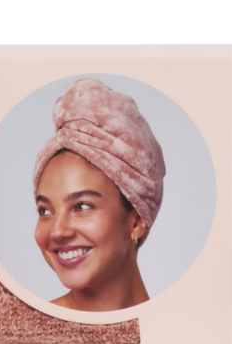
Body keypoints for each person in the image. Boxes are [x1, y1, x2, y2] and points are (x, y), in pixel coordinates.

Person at [33, 78, 165, 313]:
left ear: (137, 221)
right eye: (45, 210)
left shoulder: (179, 329)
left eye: (82, 206)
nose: (57, 231)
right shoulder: (21, 330)